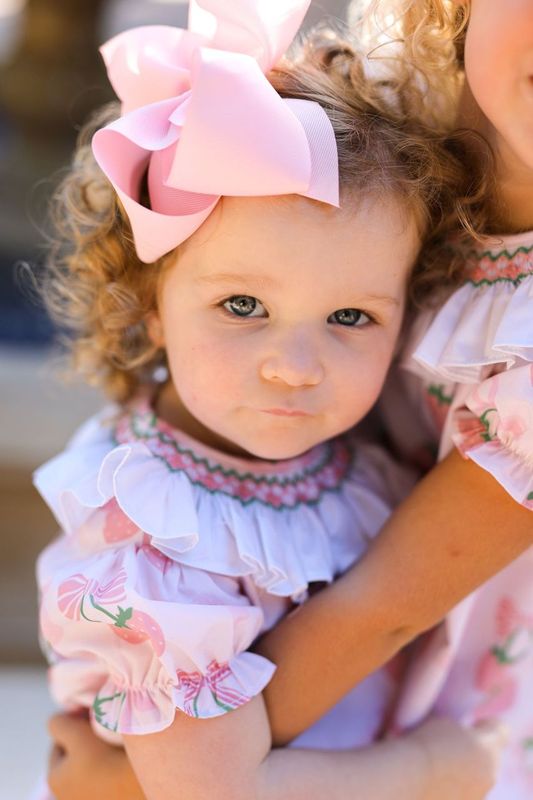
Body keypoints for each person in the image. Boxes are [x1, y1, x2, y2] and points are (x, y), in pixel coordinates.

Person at [43, 1, 533, 798]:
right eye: (243, 307)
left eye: (351, 317)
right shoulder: (157, 546)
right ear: (143, 303)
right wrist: (435, 772)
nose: (295, 368)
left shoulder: (343, 467)